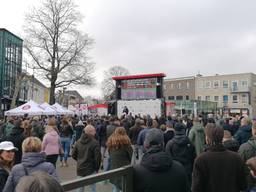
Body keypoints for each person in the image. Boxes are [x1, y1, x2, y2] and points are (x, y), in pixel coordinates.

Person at [192, 123, 247, 192]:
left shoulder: (200, 160)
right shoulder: (236, 158)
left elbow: (196, 188)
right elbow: (243, 185)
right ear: (222, 137)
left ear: (207, 138)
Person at [166, 122, 196, 189]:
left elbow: (168, 158)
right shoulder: (190, 143)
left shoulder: (170, 144)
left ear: (175, 130)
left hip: (174, 171)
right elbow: (193, 157)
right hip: (187, 170)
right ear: (184, 130)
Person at [72, 125, 101, 192]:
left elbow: (73, 154)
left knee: (80, 188)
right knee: (92, 188)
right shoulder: (95, 143)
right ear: (90, 132)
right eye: (94, 131)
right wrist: (96, 169)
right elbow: (98, 158)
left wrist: (79, 160)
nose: (95, 132)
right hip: (91, 168)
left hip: (80, 167)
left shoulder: (78, 141)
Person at [107, 127, 133, 192]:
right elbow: (131, 157)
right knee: (123, 188)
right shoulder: (127, 145)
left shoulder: (111, 143)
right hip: (124, 169)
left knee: (115, 188)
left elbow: (110, 155)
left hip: (114, 169)